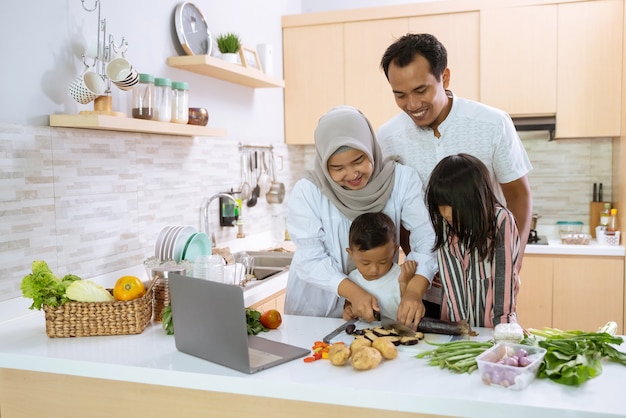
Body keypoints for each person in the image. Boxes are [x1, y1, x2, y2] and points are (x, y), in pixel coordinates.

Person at [377, 33, 533, 257]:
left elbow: (518, 195)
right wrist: (420, 264)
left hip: (487, 270)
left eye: (421, 90)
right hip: (427, 279)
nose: (412, 104)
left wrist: (511, 262)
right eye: (400, 95)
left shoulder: (492, 123)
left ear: (445, 77)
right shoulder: (388, 137)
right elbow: (398, 211)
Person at [284, 105, 437, 327]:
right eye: (337, 168)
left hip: (378, 308)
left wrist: (414, 290)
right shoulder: (309, 190)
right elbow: (310, 258)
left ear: (371, 147)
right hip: (316, 310)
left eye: (358, 161)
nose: (352, 174)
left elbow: (427, 239)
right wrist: (353, 292)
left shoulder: (401, 180)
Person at [425, 153, 521, 328]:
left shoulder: (501, 220)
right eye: (440, 204)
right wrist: (458, 328)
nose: (445, 213)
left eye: (451, 204)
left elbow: (504, 278)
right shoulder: (447, 225)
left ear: (471, 198)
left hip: (496, 321)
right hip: (457, 320)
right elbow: (451, 280)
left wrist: (504, 326)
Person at [343, 212, 417, 321]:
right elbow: (349, 303)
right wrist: (348, 311)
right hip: (362, 335)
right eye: (365, 263)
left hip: (396, 334)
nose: (374, 270)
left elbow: (410, 306)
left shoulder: (401, 275)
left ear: (394, 251)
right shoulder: (352, 279)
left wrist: (405, 283)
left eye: (382, 262)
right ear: (351, 254)